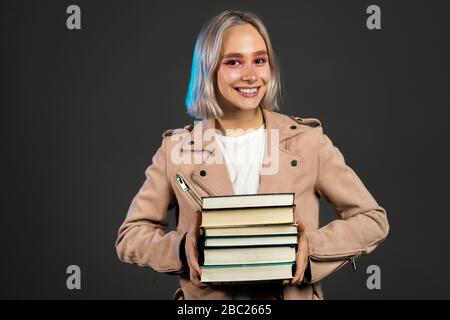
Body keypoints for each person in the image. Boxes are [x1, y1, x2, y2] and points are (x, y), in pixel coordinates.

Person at [115, 10, 389, 300]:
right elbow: (131, 235)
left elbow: (372, 219)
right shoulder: (177, 150)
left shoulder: (308, 142)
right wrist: (182, 249)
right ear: (209, 69)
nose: (251, 75)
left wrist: (313, 248)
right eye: (234, 62)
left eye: (260, 60)